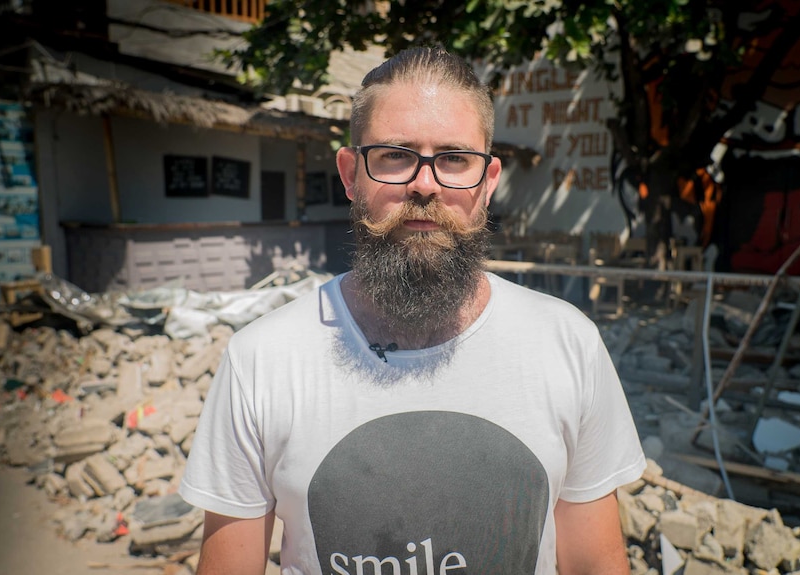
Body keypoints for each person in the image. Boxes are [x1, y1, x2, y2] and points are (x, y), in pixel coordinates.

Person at [179, 46, 646, 575]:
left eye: (453, 159)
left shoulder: (568, 346)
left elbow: (592, 564)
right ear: (351, 174)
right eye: (396, 155)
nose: (425, 184)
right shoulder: (261, 361)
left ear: (488, 182)